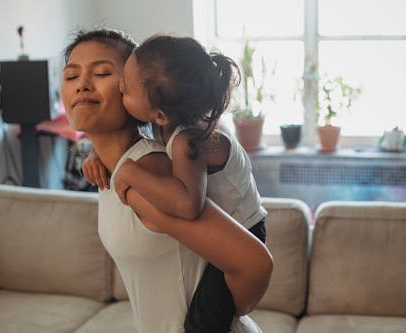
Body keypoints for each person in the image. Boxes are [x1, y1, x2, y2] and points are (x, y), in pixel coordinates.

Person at [60, 28, 272, 333]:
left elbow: (255, 264)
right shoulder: (120, 165)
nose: (82, 86)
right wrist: (100, 155)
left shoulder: (151, 175)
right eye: (70, 77)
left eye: (104, 73)